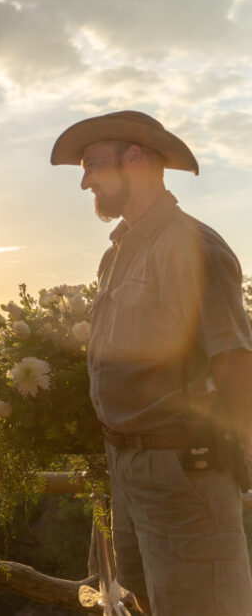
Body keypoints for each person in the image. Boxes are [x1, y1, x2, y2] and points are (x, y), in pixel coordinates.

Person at [51, 110, 252, 616]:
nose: (84, 181)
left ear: (135, 158)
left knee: (202, 606)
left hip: (183, 468)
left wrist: (241, 451)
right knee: (142, 599)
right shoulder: (117, 253)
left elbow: (233, 358)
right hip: (129, 468)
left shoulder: (189, 244)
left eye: (93, 164)